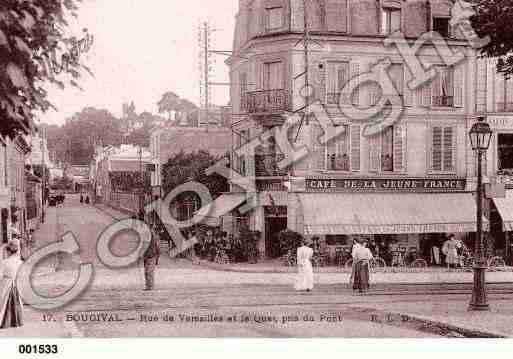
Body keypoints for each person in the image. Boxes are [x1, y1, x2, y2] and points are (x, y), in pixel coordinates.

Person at [0, 240, 24, 329]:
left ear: (9, 251)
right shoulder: (20, 262)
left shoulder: (5, 262)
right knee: (17, 301)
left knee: (3, 302)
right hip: (16, 283)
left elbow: (0, 275)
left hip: (6, 283)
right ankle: (16, 321)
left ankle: (3, 321)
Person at [142, 226, 161, 291]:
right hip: (147, 257)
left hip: (152, 256)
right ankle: (148, 286)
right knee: (146, 272)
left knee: (149, 272)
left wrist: (157, 259)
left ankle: (150, 286)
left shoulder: (155, 238)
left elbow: (158, 250)